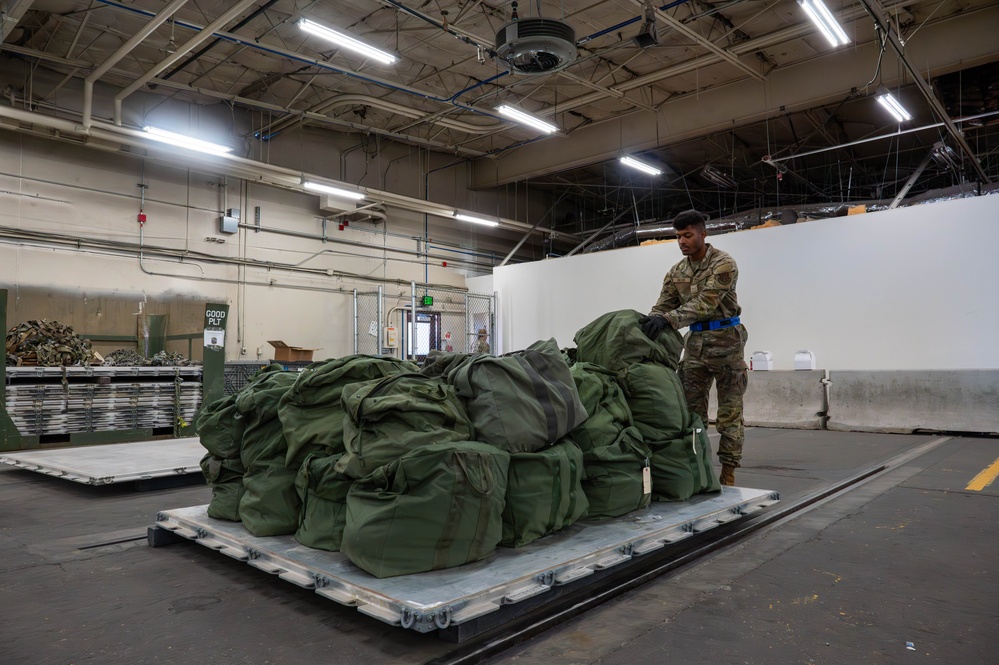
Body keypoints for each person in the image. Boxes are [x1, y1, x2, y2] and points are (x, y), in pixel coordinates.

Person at [640, 210, 748, 486]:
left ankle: (728, 474)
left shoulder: (724, 264)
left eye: (687, 235)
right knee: (690, 416)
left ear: (703, 233)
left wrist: (668, 319)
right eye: (678, 236)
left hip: (727, 346)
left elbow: (706, 303)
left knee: (729, 415)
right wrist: (650, 321)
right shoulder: (676, 272)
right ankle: (697, 471)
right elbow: (663, 305)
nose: (682, 241)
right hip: (695, 348)